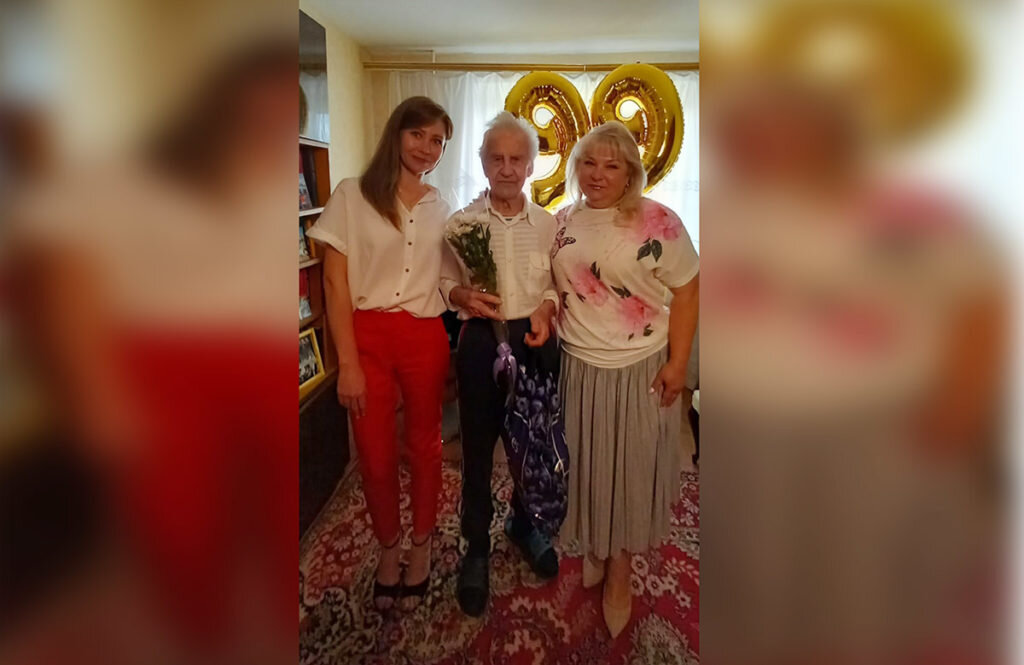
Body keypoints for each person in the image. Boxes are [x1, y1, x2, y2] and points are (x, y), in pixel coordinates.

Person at [550, 121, 699, 637]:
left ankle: (619, 571)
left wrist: (679, 363)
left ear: (631, 173)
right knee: (589, 467)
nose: (598, 174)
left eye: (612, 165)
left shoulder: (659, 222)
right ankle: (597, 545)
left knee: (630, 471)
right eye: (589, 163)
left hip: (639, 369)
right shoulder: (563, 220)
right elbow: (553, 286)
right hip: (578, 367)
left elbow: (689, 291)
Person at [307, 96, 455, 612]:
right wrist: (346, 363)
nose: (426, 148)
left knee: (426, 447)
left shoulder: (444, 208)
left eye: (437, 141)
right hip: (366, 338)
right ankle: (389, 546)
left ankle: (422, 544)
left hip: (425, 335)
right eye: (418, 134)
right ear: (396, 133)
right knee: (374, 453)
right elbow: (333, 281)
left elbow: (449, 278)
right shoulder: (353, 194)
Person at [441, 111, 561, 617]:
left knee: (532, 445)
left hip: (533, 340)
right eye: (497, 159)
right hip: (479, 344)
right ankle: (475, 547)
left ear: (531, 167)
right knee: (476, 449)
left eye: (517, 159)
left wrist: (547, 309)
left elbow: (556, 285)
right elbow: (444, 284)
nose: (507, 168)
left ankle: (524, 523)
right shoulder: (461, 223)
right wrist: (461, 294)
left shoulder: (550, 225)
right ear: (484, 163)